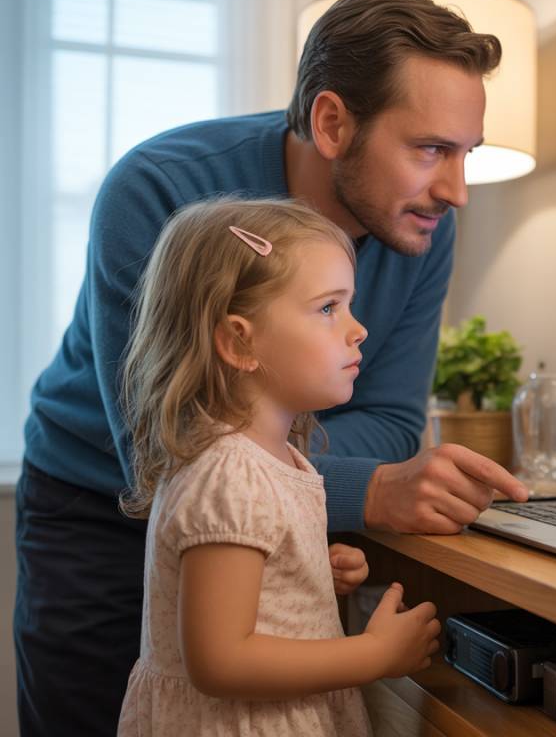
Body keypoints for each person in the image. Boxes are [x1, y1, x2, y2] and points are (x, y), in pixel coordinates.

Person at [16, 0, 527, 737]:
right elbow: (168, 444)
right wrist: (368, 492)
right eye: (429, 150)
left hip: (274, 514)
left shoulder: (420, 227)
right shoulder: (156, 190)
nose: (455, 191)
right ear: (331, 122)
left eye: (466, 154)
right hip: (99, 510)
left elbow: (389, 422)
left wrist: (303, 499)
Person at [115, 198, 440, 736]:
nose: (358, 330)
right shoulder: (230, 475)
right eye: (328, 308)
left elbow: (243, 603)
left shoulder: (275, 457)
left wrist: (305, 574)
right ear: (239, 341)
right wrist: (375, 655)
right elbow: (221, 662)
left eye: (349, 305)